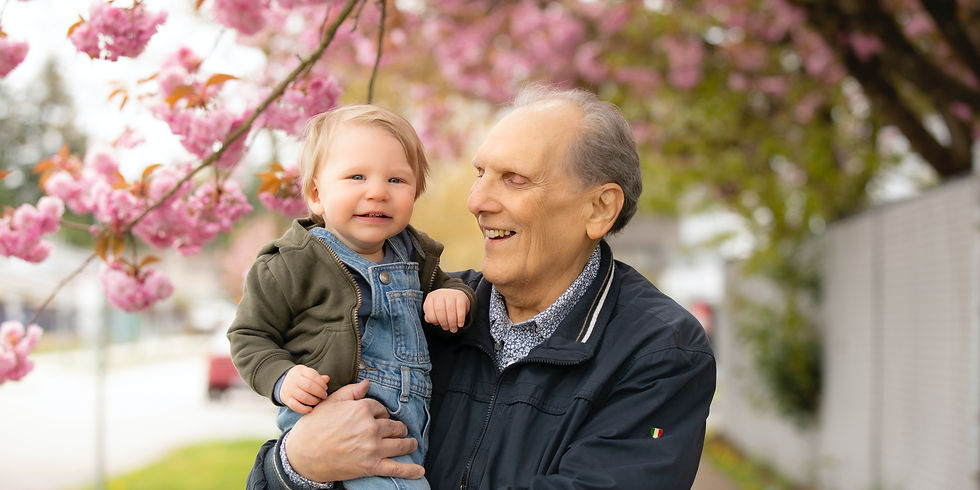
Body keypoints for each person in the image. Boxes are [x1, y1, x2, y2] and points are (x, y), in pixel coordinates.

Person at [246, 85, 716, 489]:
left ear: (598, 209)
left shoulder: (659, 352)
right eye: (480, 175)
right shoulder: (420, 310)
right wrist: (298, 464)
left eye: (513, 179)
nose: (477, 201)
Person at [228, 104, 476, 489]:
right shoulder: (291, 263)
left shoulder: (417, 257)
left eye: (396, 180)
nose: (377, 192)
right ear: (316, 194)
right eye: (356, 176)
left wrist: (452, 296)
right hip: (338, 422)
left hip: (410, 426)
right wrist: (282, 376)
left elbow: (450, 291)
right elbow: (248, 336)